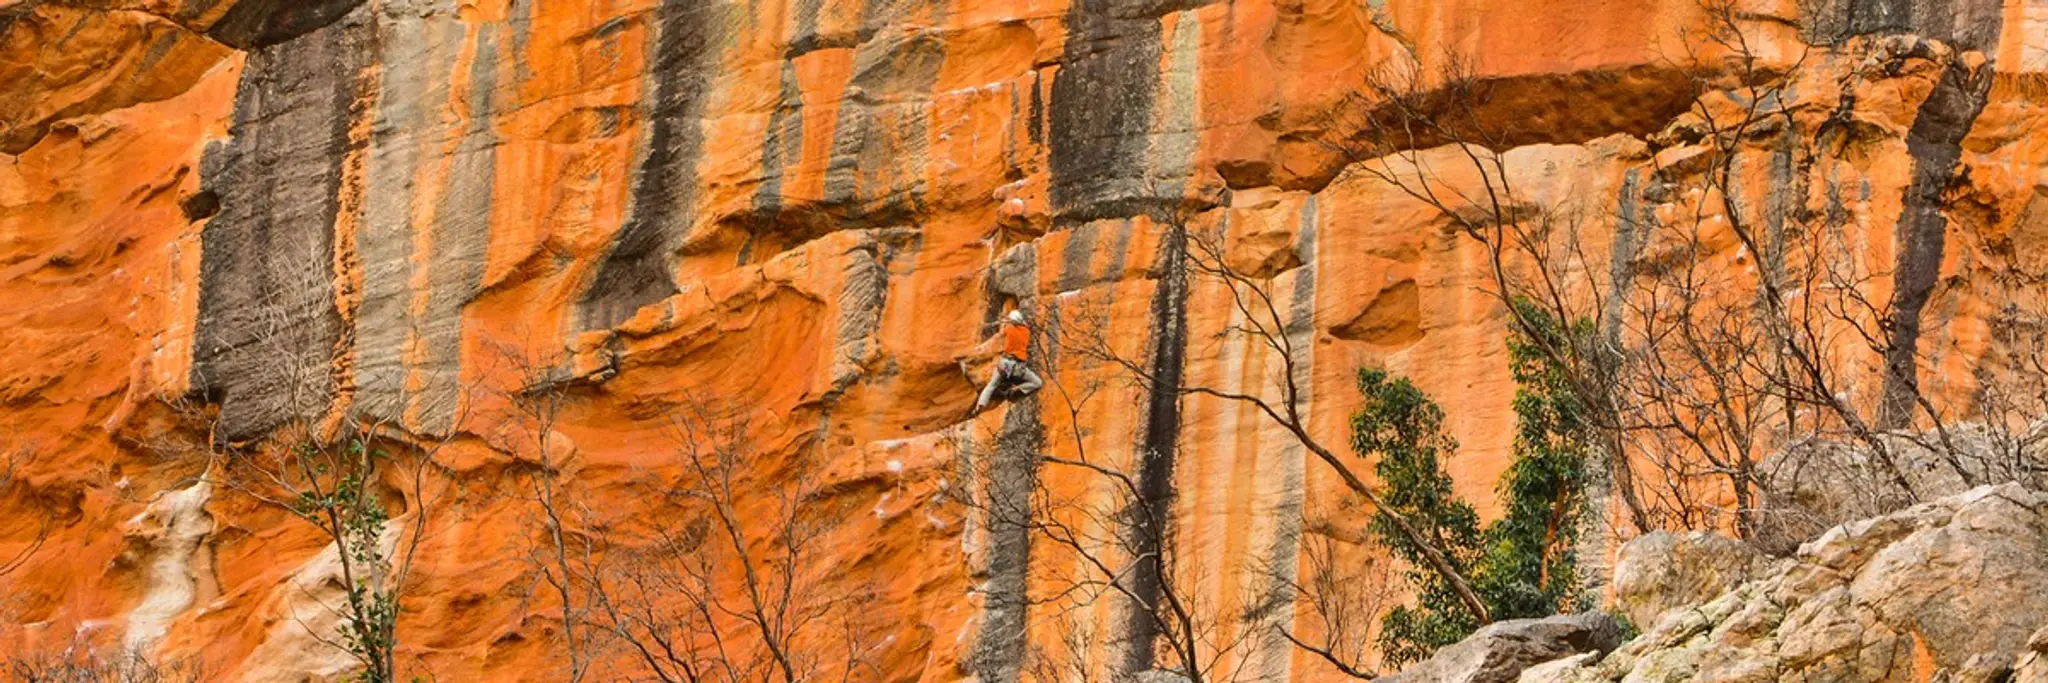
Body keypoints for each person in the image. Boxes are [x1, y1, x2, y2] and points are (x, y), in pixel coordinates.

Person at [974, 309, 1043, 414]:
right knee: (1037, 383)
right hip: (1018, 368)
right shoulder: (1026, 331)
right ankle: (1015, 389)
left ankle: (980, 405)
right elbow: (1024, 326)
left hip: (1005, 364)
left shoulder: (1008, 328)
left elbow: (1000, 335)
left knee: (991, 385)